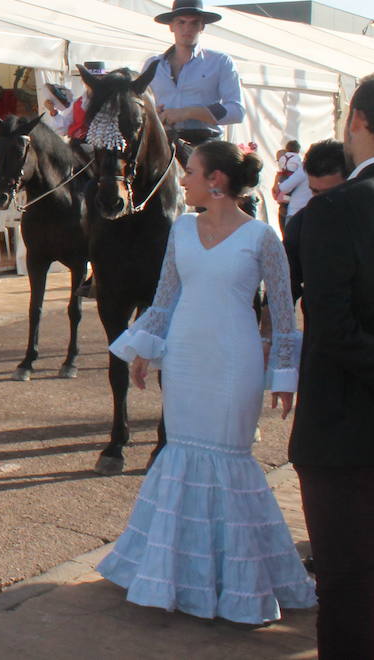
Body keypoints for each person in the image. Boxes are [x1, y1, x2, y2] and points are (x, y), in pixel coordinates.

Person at [98, 140, 314, 624]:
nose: (182, 180)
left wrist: (284, 374)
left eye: (190, 172)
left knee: (229, 461)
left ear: (216, 181)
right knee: (181, 454)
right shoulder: (181, 229)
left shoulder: (262, 238)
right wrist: (144, 351)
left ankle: (236, 583)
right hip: (185, 359)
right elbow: (165, 296)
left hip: (235, 363)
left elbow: (283, 313)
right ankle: (171, 576)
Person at [291, 76, 374, 656]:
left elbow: (335, 330)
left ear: (357, 122)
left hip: (348, 435)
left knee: (347, 590)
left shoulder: (334, 211)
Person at [145, 0, 245, 147]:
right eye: (181, 22)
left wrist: (189, 112)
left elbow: (236, 111)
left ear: (202, 27)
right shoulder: (153, 64)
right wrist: (152, 112)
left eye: (194, 23)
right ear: (171, 26)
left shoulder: (220, 62)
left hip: (206, 142)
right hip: (161, 142)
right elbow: (140, 104)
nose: (187, 28)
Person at [282, 139, 346, 303]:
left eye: (330, 193)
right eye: (315, 191)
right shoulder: (300, 225)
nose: (320, 200)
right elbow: (287, 282)